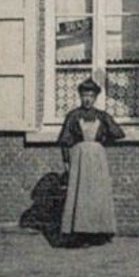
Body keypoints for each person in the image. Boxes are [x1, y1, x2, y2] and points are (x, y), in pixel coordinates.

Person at [56, 77, 125, 246]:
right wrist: (66, 161)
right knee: (80, 193)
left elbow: (118, 133)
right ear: (80, 96)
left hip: (97, 157)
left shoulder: (101, 116)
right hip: (79, 157)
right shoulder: (73, 116)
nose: (87, 99)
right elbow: (65, 141)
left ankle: (98, 231)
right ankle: (80, 232)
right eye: (85, 95)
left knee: (97, 192)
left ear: (95, 98)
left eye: (91, 95)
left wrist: (101, 141)